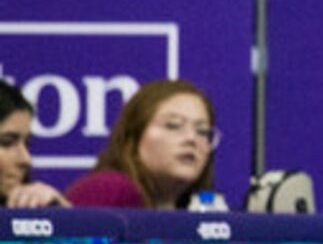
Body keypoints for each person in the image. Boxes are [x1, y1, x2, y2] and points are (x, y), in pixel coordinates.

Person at [60, 79, 219, 208]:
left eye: (203, 131)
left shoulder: (202, 210)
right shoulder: (110, 189)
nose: (191, 139)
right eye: (173, 125)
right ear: (135, 136)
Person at [0, 79, 71, 209]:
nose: (26, 160)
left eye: (27, 144)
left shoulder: (33, 208)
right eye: (7, 142)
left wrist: (60, 215)